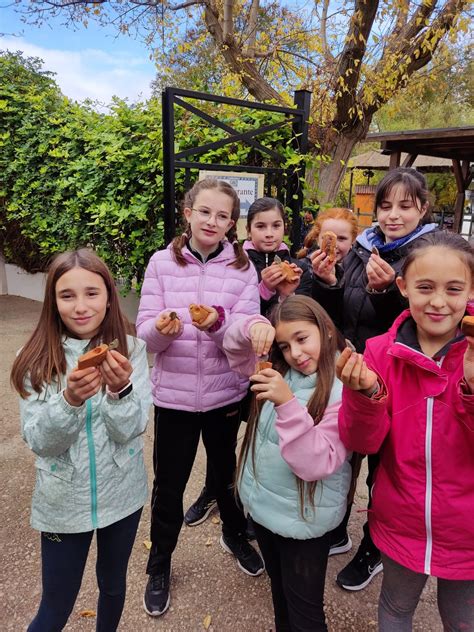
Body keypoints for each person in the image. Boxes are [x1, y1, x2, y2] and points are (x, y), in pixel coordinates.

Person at [137, 178, 265, 618]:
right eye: (205, 211)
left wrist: (215, 323)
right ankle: (160, 563)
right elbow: (144, 334)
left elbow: (246, 331)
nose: (213, 221)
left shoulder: (242, 269)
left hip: (224, 394)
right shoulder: (159, 263)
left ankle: (234, 533)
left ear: (233, 224)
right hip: (172, 398)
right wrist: (160, 330)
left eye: (223, 215)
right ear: (187, 212)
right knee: (168, 485)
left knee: (225, 473)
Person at [337, 231, 474, 630]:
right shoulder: (380, 350)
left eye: (454, 289)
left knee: (463, 620)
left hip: (466, 526)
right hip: (401, 518)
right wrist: (365, 394)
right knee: (395, 609)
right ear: (402, 287)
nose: (437, 301)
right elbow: (363, 442)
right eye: (425, 287)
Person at [10, 249, 151, 632]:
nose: (81, 306)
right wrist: (69, 401)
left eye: (92, 293)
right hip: (61, 502)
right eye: (67, 295)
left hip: (123, 494)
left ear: (109, 295)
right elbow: (41, 441)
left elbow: (132, 429)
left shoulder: (132, 350)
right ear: (53, 303)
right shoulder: (35, 359)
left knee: (113, 586)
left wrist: (120, 392)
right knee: (55, 605)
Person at [311, 167, 438, 591]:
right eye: (385, 206)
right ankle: (338, 527)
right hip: (351, 368)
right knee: (344, 454)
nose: (393, 215)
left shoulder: (431, 253)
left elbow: (419, 324)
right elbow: (341, 312)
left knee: (385, 468)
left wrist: (389, 294)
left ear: (422, 207)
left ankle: (373, 548)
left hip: (398, 378)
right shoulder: (364, 249)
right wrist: (329, 283)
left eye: (405, 206)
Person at [223, 294, 352, 631]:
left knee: (305, 612)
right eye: (284, 345)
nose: (295, 353)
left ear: (324, 330)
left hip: (304, 522)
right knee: (280, 597)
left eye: (301, 339)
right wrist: (253, 327)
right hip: (264, 509)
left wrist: (286, 404)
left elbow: (316, 463)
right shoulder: (279, 369)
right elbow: (232, 350)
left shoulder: (344, 386)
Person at [184, 196, 312, 528]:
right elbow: (236, 316)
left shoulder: (297, 262)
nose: (269, 233)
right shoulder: (236, 261)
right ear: (246, 228)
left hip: (277, 364)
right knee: (223, 440)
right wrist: (265, 289)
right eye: (260, 226)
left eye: (276, 225)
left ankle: (254, 498)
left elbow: (296, 318)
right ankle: (213, 490)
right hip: (236, 364)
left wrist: (287, 292)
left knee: (264, 432)